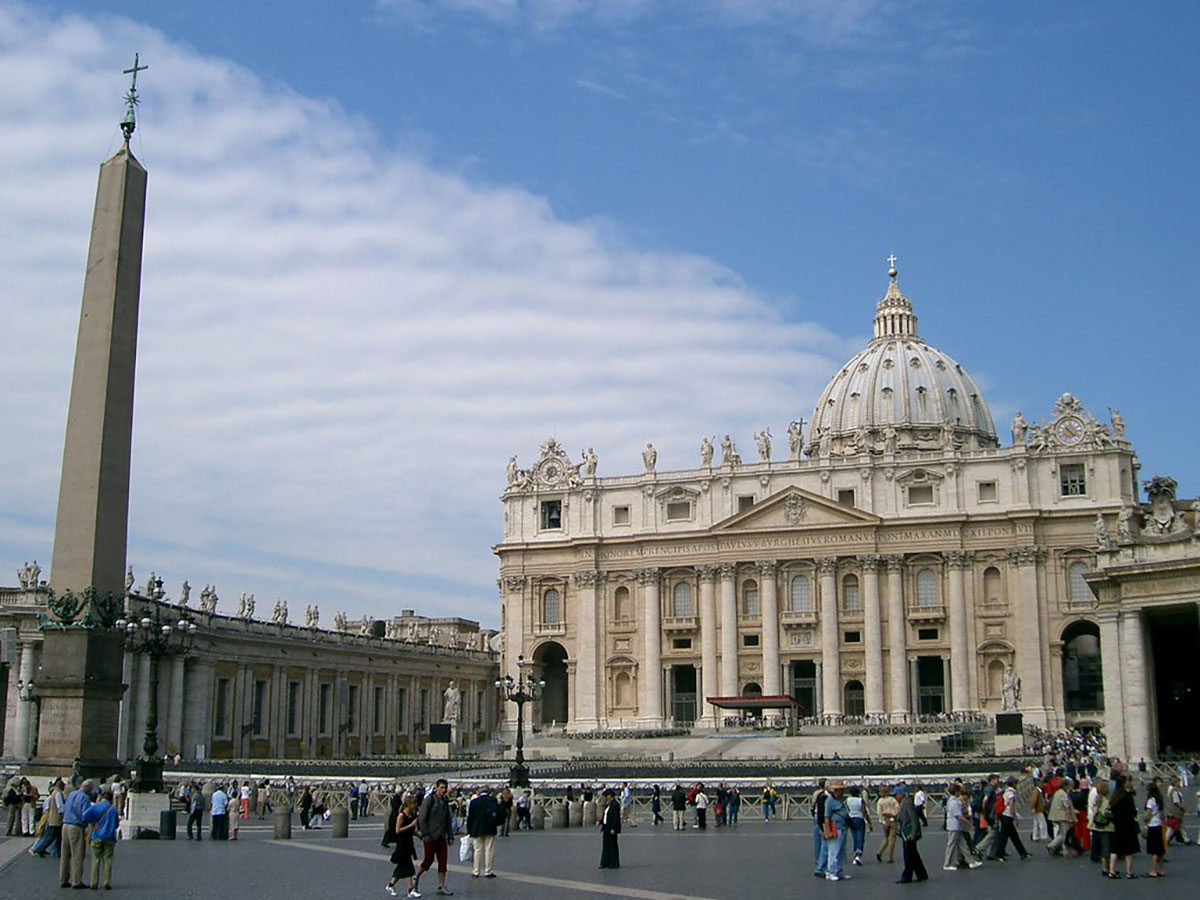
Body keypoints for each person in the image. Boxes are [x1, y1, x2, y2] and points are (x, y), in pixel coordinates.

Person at [415, 778, 454, 896]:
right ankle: (416, 877)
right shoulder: (429, 800)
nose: (443, 790)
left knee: (443, 861)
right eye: (441, 788)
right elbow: (421, 817)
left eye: (445, 788)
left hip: (441, 835)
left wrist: (450, 835)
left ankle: (441, 885)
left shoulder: (445, 802)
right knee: (428, 860)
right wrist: (425, 834)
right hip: (430, 836)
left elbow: (448, 820)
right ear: (436, 788)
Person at [60, 778, 95, 889]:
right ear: (89, 789)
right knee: (77, 854)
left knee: (65, 854)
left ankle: (63, 879)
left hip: (65, 825)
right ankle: (76, 881)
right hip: (76, 826)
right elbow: (85, 814)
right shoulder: (85, 798)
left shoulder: (71, 794)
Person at [81, 788, 119, 890]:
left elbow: (84, 815)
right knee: (108, 860)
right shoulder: (113, 809)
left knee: (95, 859)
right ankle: (106, 882)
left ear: (102, 797)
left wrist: (93, 823)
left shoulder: (96, 807)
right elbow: (116, 824)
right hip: (109, 837)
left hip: (97, 836)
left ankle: (94, 882)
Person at [385, 793, 420, 898]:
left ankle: (391, 885)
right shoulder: (401, 815)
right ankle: (410, 890)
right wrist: (411, 825)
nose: (416, 806)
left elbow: (411, 830)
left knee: (404, 867)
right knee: (409, 867)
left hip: (409, 843)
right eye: (414, 804)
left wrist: (418, 835)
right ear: (409, 804)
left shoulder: (412, 815)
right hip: (402, 844)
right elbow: (398, 830)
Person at [988, 777, 1030, 861]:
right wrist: (1015, 818)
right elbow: (1011, 806)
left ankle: (1023, 853)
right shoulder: (1011, 793)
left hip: (1004, 815)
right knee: (1006, 836)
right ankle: (999, 854)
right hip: (1007, 816)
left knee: (1013, 836)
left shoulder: (1006, 792)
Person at [942, 783, 981, 871]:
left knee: (963, 845)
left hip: (956, 826)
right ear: (956, 791)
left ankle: (971, 862)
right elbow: (959, 816)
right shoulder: (953, 802)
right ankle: (947, 864)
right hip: (954, 826)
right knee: (951, 845)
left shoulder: (953, 800)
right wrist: (969, 825)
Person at [465, 785, 500, 879]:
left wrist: (470, 830)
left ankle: (476, 871)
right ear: (488, 792)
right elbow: (497, 813)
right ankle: (488, 871)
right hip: (489, 828)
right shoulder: (492, 800)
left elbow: (470, 817)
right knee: (489, 850)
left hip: (477, 828)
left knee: (477, 850)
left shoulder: (474, 802)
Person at [1108, 775, 1140, 879]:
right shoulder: (1127, 795)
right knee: (1128, 850)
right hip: (1128, 824)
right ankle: (1129, 872)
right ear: (1124, 783)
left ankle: (1111, 871)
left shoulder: (1114, 796)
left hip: (1117, 824)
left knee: (1115, 849)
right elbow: (1132, 811)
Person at [895, 786, 928, 884]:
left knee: (908, 856)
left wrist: (913, 833)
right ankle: (921, 874)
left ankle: (907, 876)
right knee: (914, 855)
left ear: (901, 794)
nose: (895, 797)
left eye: (896, 795)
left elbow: (914, 818)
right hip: (906, 831)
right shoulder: (903, 803)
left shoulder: (907, 803)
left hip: (909, 832)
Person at [823, 781, 850, 881]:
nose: (842, 792)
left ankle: (839, 871)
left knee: (841, 851)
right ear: (836, 790)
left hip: (843, 827)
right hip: (835, 827)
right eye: (841, 790)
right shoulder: (830, 801)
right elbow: (827, 816)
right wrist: (828, 830)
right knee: (833, 850)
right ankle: (830, 872)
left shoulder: (841, 800)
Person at [1090, 779, 1115, 877]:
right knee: (1106, 848)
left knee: (1101, 846)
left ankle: (1105, 868)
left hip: (1096, 825)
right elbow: (1106, 813)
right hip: (1106, 826)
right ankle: (1106, 868)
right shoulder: (1105, 801)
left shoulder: (1097, 799)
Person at [1046, 777, 1076, 856]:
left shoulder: (1058, 792)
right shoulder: (1063, 794)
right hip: (1062, 816)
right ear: (1066, 785)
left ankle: (1054, 846)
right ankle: (1053, 846)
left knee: (1062, 833)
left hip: (1056, 815)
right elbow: (1066, 807)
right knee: (1064, 834)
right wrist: (1069, 818)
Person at [1144, 779, 1166, 877]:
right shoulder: (1159, 800)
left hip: (1152, 825)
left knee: (1154, 851)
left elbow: (1148, 815)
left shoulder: (1150, 801)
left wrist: (1145, 821)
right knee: (1160, 850)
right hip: (1159, 825)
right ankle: (1162, 869)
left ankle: (1153, 870)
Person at [846, 784, 871, 866]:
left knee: (855, 837)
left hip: (851, 818)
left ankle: (855, 853)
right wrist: (869, 822)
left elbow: (848, 809)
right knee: (860, 836)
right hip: (859, 818)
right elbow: (864, 812)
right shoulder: (860, 800)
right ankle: (858, 853)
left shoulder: (848, 799)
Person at [876, 785, 900, 863]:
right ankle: (890, 857)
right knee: (892, 838)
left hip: (885, 820)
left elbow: (879, 812)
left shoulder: (880, 801)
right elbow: (897, 809)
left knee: (886, 837)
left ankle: (879, 852)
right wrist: (892, 818)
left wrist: (883, 821)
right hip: (893, 820)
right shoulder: (892, 800)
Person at [598, 788, 621, 869]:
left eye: (606, 796)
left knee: (612, 845)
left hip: (611, 828)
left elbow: (615, 818)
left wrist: (614, 828)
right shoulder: (609, 804)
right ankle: (605, 863)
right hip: (606, 827)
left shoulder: (615, 805)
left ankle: (613, 863)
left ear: (610, 795)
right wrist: (600, 822)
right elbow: (605, 815)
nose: (605, 798)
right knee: (606, 846)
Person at [811, 778, 829, 878]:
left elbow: (813, 804)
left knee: (817, 837)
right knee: (822, 836)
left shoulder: (816, 793)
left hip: (817, 813)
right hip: (821, 815)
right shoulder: (824, 795)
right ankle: (821, 859)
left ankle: (818, 857)